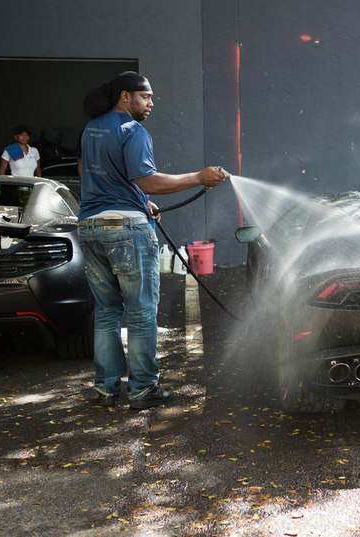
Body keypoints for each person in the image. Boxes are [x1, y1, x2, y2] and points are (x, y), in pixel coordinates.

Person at [78, 71, 226, 410]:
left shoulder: (91, 129)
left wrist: (140, 203)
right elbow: (148, 181)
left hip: (90, 226)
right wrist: (198, 177)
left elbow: (98, 176)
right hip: (126, 230)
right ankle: (143, 389)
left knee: (106, 312)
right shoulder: (134, 131)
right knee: (142, 311)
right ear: (125, 97)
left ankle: (105, 388)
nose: (152, 103)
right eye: (146, 96)